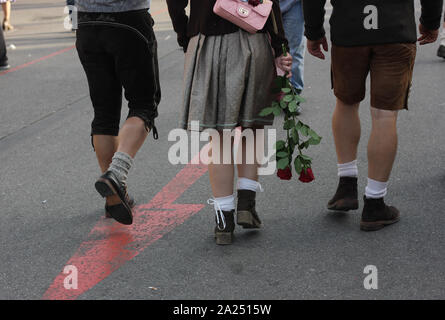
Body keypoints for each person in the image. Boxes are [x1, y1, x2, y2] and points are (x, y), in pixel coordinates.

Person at [303, 0, 443, 231]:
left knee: (346, 103)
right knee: (384, 115)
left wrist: (314, 31)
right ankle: (375, 202)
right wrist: (430, 21)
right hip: (394, 29)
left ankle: (346, 185)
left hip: (349, 30)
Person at [166, 0, 292, 245]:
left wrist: (186, 33)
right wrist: (280, 46)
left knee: (219, 135)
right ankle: (246, 203)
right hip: (253, 35)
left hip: (208, 39)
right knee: (252, 126)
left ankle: (223, 221)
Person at [75, 0, 161, 225]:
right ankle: (116, 173)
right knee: (143, 105)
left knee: (104, 112)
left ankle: (114, 197)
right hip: (129, 17)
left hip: (85, 20)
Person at [280, 0, 305, 114]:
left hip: (293, 4)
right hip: (261, 4)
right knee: (263, 50)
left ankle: (292, 95)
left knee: (293, 50)